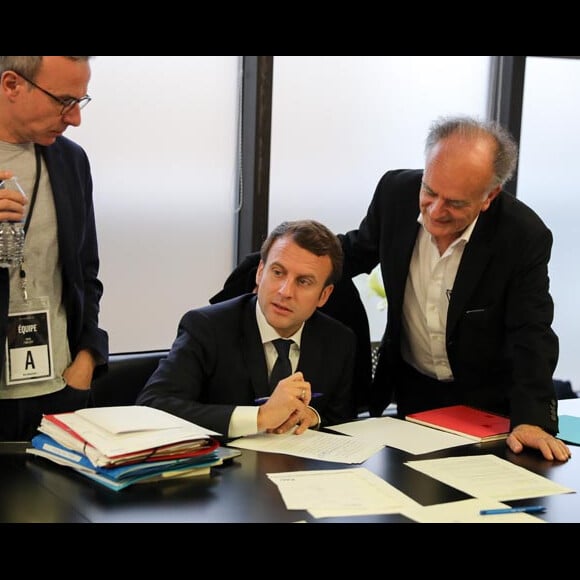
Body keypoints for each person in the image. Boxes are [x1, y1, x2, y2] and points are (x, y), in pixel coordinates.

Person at [340, 114, 571, 462]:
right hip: (412, 388)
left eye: (456, 203)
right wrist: (267, 271)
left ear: (489, 195)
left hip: (486, 401)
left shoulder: (522, 236)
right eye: (430, 191)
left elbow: (531, 331)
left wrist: (533, 421)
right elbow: (352, 252)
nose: (436, 211)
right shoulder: (396, 194)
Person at [137, 219, 356, 438]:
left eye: (303, 281)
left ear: (324, 295)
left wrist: (313, 417)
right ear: (260, 272)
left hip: (301, 469)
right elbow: (153, 406)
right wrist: (260, 417)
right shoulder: (207, 327)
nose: (285, 291)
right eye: (278, 272)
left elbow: (342, 421)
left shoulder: (338, 341)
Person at [0, 56, 108, 441]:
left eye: (81, 101)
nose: (75, 118)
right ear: (12, 85)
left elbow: (86, 272)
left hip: (59, 391)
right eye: (64, 101)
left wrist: (87, 357)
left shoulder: (70, 161)